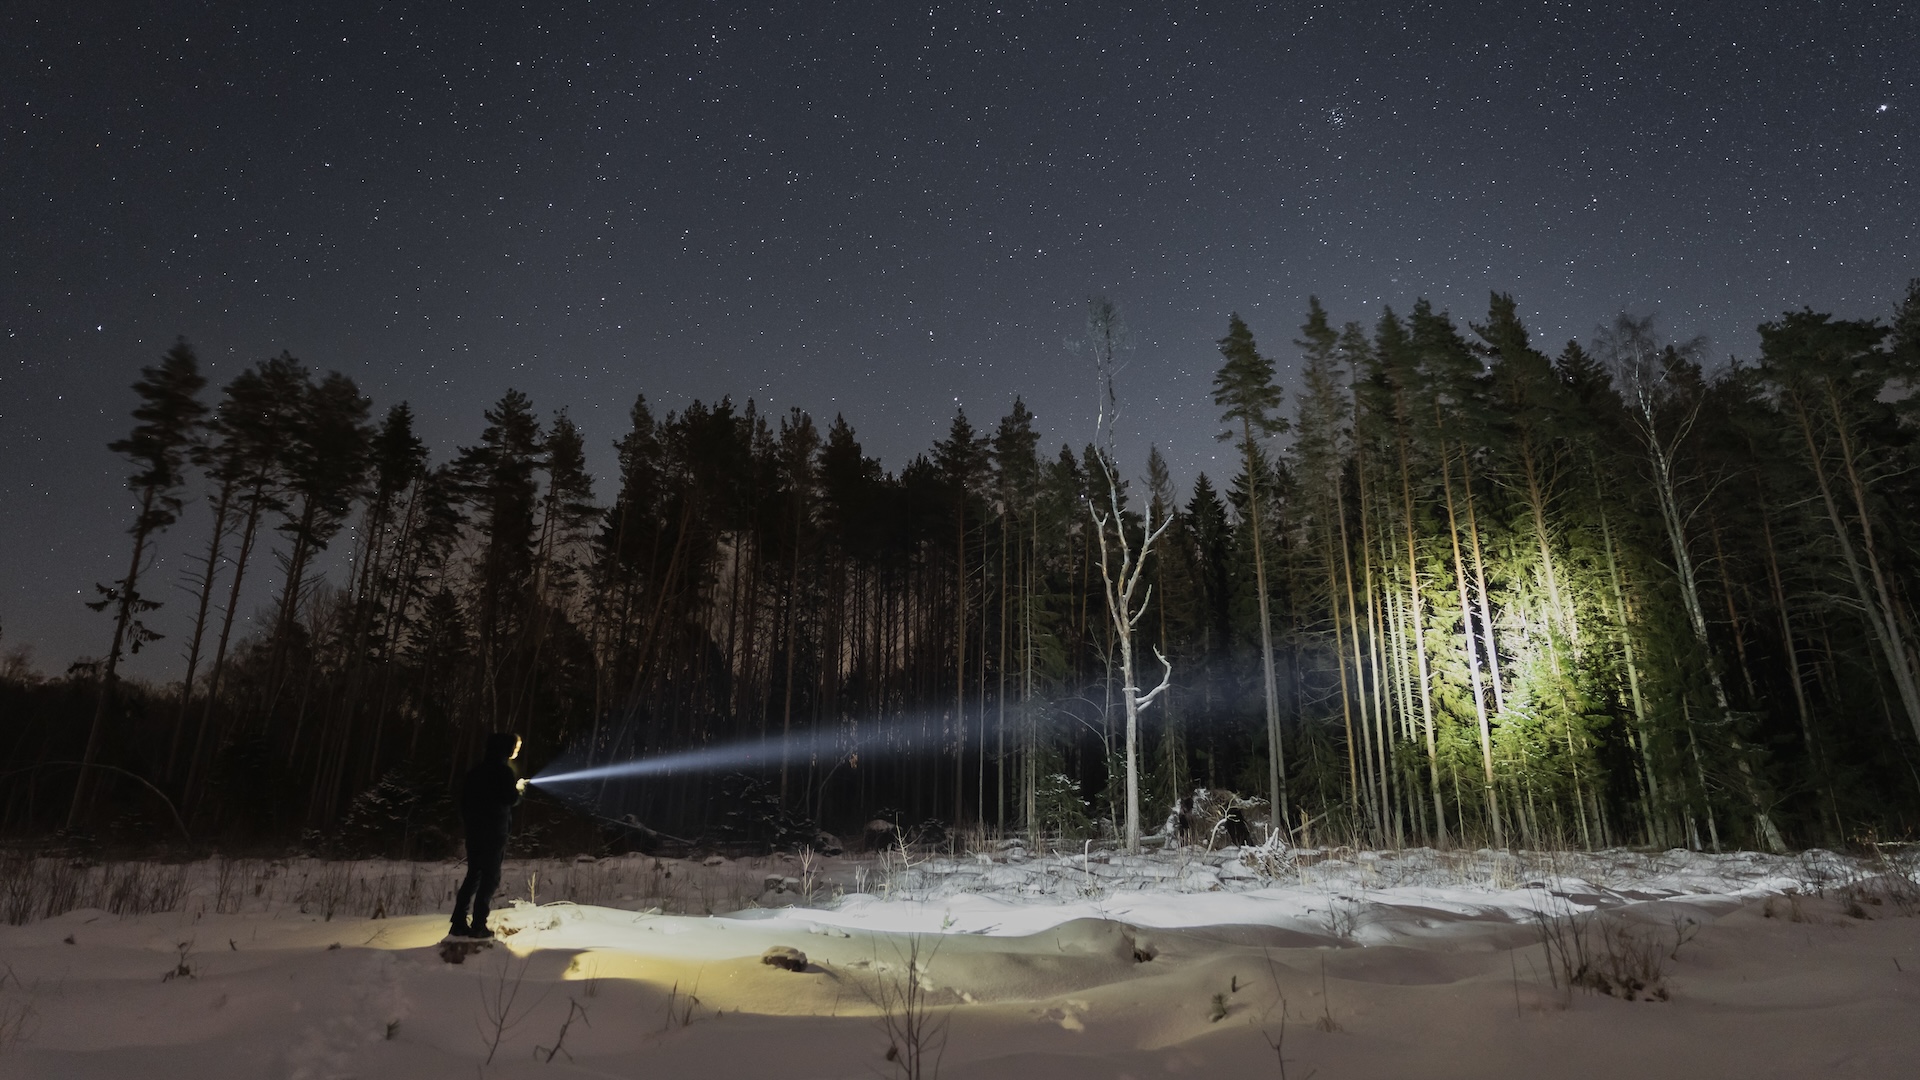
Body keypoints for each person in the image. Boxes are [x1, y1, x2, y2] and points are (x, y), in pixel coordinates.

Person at [451, 732, 528, 939]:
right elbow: (510, 799)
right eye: (515, 747)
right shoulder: (503, 772)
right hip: (494, 833)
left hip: (474, 832)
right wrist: (520, 790)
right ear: (506, 748)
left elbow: (464, 803)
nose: (516, 751)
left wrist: (471, 825)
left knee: (473, 875)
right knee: (490, 877)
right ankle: (478, 925)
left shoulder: (475, 772)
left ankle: (458, 923)